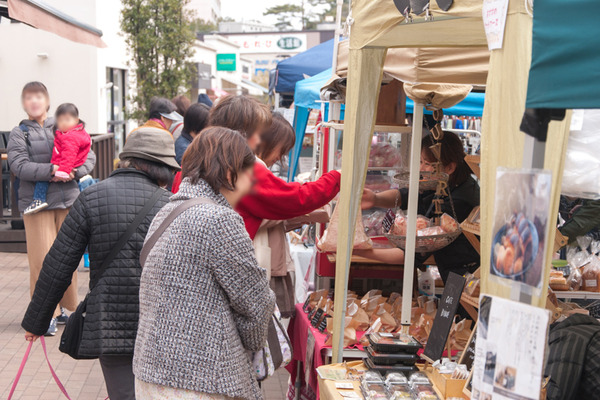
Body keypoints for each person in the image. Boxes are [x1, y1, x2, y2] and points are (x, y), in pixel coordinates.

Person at [21, 127, 180, 400]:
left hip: (110, 325)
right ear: (163, 169)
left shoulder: (92, 197)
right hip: (161, 327)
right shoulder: (172, 205)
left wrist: (36, 322)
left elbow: (58, 263)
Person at [133, 127, 275, 400]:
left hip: (150, 372)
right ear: (231, 173)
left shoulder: (166, 211)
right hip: (204, 379)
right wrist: (248, 340)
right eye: (250, 175)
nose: (252, 184)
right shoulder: (220, 219)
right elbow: (256, 304)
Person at [8, 81, 96, 336]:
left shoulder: (65, 124)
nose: (34, 102)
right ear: (24, 103)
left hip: (67, 200)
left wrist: (75, 171)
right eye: (28, 98)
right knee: (41, 261)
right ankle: (44, 314)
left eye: (39, 96)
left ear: (47, 101)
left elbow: (88, 154)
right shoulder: (19, 133)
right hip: (37, 206)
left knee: (69, 258)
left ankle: (67, 308)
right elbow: (18, 165)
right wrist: (51, 170)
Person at [360, 131, 480, 283]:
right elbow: (405, 195)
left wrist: (361, 251)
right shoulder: (445, 183)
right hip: (453, 271)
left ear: (449, 168)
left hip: (467, 275)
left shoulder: (459, 201)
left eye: (428, 164)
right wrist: (375, 198)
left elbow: (412, 253)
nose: (421, 168)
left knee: (457, 306)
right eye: (420, 161)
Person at [170, 95, 272, 192]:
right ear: (241, 134)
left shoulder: (194, 158)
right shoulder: (240, 170)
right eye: (258, 133)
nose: (260, 141)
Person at [24, 103, 92, 215]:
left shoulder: (70, 136)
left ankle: (39, 199)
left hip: (65, 166)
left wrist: (63, 171)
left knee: (43, 178)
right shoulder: (76, 133)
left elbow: (69, 155)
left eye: (67, 119)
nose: (63, 123)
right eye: (60, 120)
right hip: (69, 167)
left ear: (76, 120)